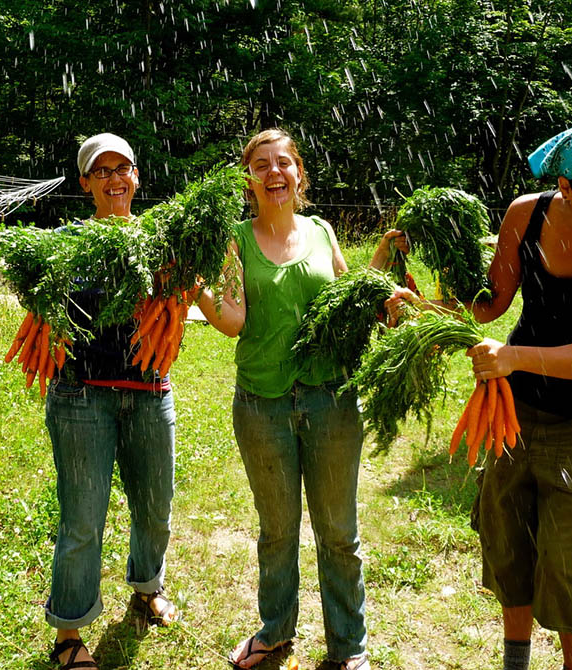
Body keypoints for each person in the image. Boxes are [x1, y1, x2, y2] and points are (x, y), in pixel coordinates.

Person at [388, 118, 572, 670]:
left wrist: (512, 357)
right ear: (566, 187)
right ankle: (516, 663)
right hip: (515, 409)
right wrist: (419, 309)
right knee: (506, 539)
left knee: (565, 561)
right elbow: (489, 304)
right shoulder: (527, 213)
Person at [197, 127, 405, 670]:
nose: (274, 173)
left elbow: (346, 302)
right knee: (277, 531)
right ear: (249, 180)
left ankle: (348, 646)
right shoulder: (234, 241)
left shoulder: (321, 231)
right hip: (262, 405)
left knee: (338, 532)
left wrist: (381, 262)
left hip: (330, 401)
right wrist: (194, 285)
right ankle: (276, 630)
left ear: (298, 174)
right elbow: (233, 319)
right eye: (261, 165)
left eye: (283, 163)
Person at [45, 133, 179, 670]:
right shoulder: (66, 245)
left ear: (138, 177)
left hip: (150, 393)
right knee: (82, 518)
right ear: (85, 184)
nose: (115, 178)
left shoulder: (160, 244)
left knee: (156, 506)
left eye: (123, 168)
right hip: (82, 397)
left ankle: (147, 587)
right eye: (101, 171)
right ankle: (68, 633)